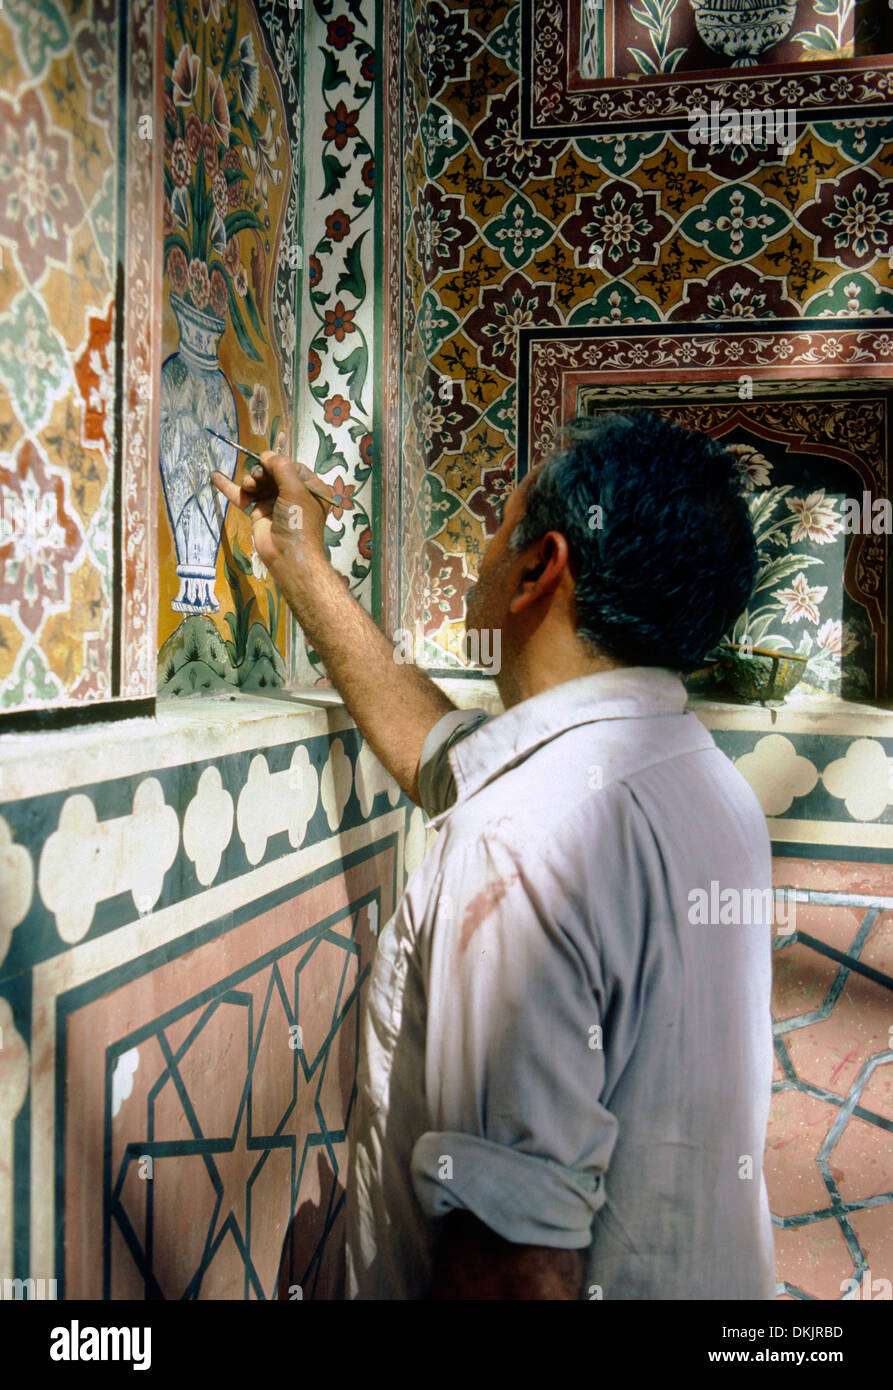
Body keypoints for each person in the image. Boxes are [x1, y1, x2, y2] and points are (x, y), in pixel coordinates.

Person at [210, 410, 777, 1300]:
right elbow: (439, 752)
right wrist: (296, 559)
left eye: (498, 525)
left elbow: (513, 1264)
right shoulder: (704, 781)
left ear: (540, 567)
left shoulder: (523, 836)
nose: (481, 547)